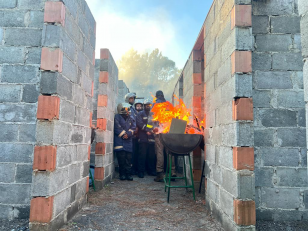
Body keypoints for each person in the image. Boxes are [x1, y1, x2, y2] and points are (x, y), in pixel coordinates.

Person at [153, 90, 176, 182]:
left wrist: (153, 129)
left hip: (159, 132)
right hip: (169, 132)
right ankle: (173, 172)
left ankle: (160, 174)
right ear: (163, 96)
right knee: (170, 151)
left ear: (156, 96)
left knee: (159, 152)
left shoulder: (155, 105)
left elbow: (152, 119)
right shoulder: (169, 105)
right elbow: (175, 117)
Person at [114, 102, 136, 181]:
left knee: (128, 158)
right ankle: (122, 174)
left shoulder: (131, 118)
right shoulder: (117, 117)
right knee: (121, 158)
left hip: (128, 141)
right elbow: (117, 127)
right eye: (126, 110)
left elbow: (133, 127)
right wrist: (124, 134)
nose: (128, 112)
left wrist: (128, 134)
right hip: (119, 141)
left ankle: (128, 174)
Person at [136, 99, 156, 178]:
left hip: (151, 137)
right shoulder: (140, 114)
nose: (148, 106)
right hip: (143, 138)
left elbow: (155, 123)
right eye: (147, 105)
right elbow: (139, 123)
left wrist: (152, 131)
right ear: (144, 106)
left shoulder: (153, 114)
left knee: (151, 156)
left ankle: (151, 171)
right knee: (142, 155)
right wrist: (147, 130)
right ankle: (141, 172)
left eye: (149, 105)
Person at [131, 99, 144, 175]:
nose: (138, 107)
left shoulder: (143, 114)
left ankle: (140, 170)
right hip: (134, 136)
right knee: (134, 153)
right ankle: (134, 169)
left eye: (140, 106)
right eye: (137, 106)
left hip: (142, 136)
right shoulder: (133, 113)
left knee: (141, 154)